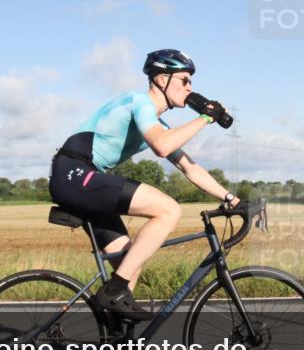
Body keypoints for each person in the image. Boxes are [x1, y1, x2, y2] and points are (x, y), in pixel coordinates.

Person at [48, 49, 239, 321]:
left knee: (130, 264)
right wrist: (205, 117)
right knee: (168, 210)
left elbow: (189, 167)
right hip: (74, 174)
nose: (190, 87)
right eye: (185, 80)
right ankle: (113, 290)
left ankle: (116, 343)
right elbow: (162, 146)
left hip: (85, 180)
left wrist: (232, 199)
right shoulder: (139, 103)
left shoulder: (155, 123)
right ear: (162, 79)